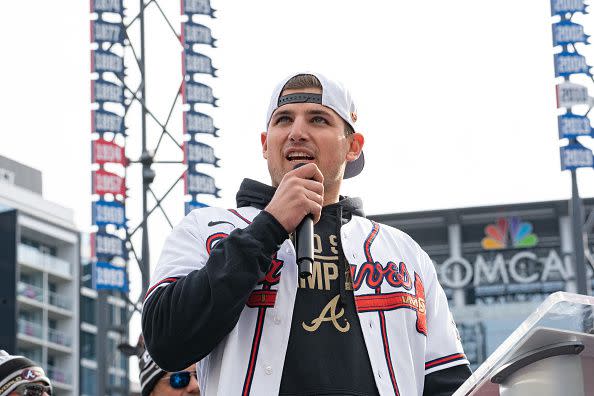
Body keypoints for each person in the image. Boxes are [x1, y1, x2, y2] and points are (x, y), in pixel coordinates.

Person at [142, 72, 471, 395]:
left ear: (353, 146)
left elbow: (450, 383)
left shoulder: (404, 254)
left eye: (318, 120)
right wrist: (269, 227)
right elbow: (165, 342)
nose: (297, 132)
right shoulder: (207, 228)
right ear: (265, 144)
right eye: (284, 119)